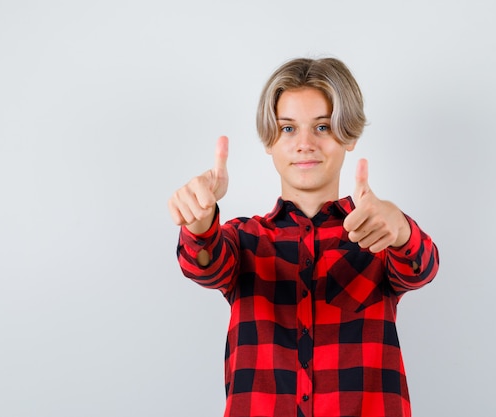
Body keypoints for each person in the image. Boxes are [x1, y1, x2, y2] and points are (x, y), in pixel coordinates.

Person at [168, 57, 439, 417]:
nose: (305, 144)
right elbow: (205, 265)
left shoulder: (378, 235)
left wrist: (402, 230)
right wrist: (200, 225)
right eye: (288, 129)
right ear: (270, 141)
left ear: (350, 134)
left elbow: (420, 267)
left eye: (323, 127)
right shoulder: (243, 239)